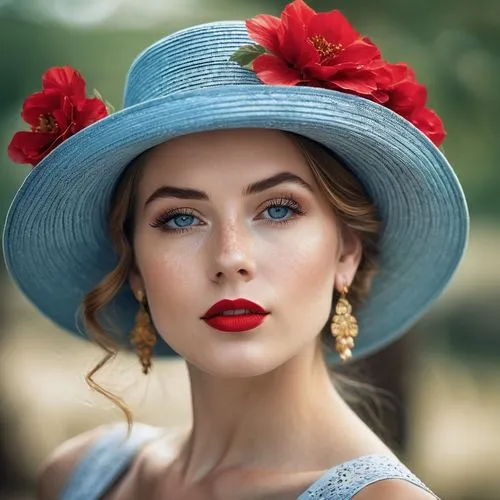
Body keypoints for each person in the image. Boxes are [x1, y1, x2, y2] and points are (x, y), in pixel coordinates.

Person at [3, 1, 468, 498]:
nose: (230, 258)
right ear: (134, 266)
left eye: (279, 209)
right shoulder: (78, 475)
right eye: (181, 218)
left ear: (346, 252)